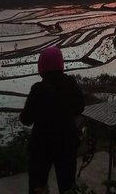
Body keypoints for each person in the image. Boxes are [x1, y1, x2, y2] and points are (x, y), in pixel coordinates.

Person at [20, 46, 84, 194]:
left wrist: (22, 116)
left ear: (41, 67)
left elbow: (27, 119)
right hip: (67, 142)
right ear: (60, 64)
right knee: (68, 185)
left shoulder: (38, 89)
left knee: (38, 184)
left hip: (42, 144)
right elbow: (80, 108)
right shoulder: (70, 83)